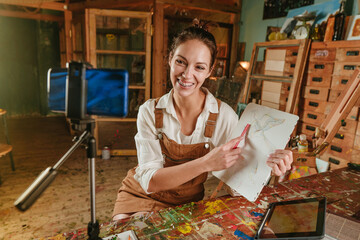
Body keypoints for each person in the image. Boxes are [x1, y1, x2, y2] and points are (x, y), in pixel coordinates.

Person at [112, 22, 293, 220]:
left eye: (199, 67)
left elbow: (238, 188)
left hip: (186, 202)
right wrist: (205, 163)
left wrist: (270, 169)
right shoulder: (150, 111)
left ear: (209, 71)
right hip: (139, 193)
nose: (187, 74)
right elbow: (149, 181)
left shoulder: (224, 116)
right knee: (126, 230)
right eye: (181, 62)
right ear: (170, 59)